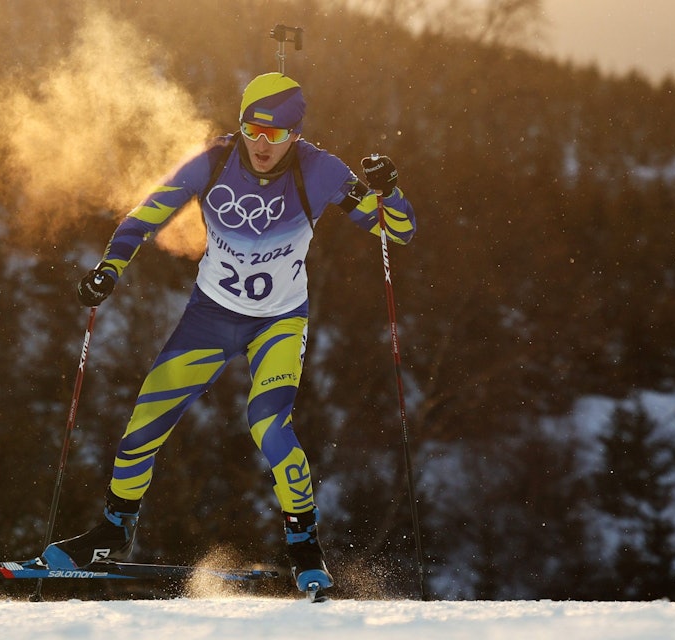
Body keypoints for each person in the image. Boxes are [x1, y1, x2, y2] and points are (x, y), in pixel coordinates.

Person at [40, 72, 416, 595]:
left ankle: (305, 547)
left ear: (296, 134)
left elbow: (397, 230)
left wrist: (389, 190)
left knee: (269, 425)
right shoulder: (211, 160)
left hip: (278, 321)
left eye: (275, 134)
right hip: (211, 316)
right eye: (251, 129)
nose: (261, 144)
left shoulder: (321, 170)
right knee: (145, 419)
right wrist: (109, 269)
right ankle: (114, 528)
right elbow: (143, 218)